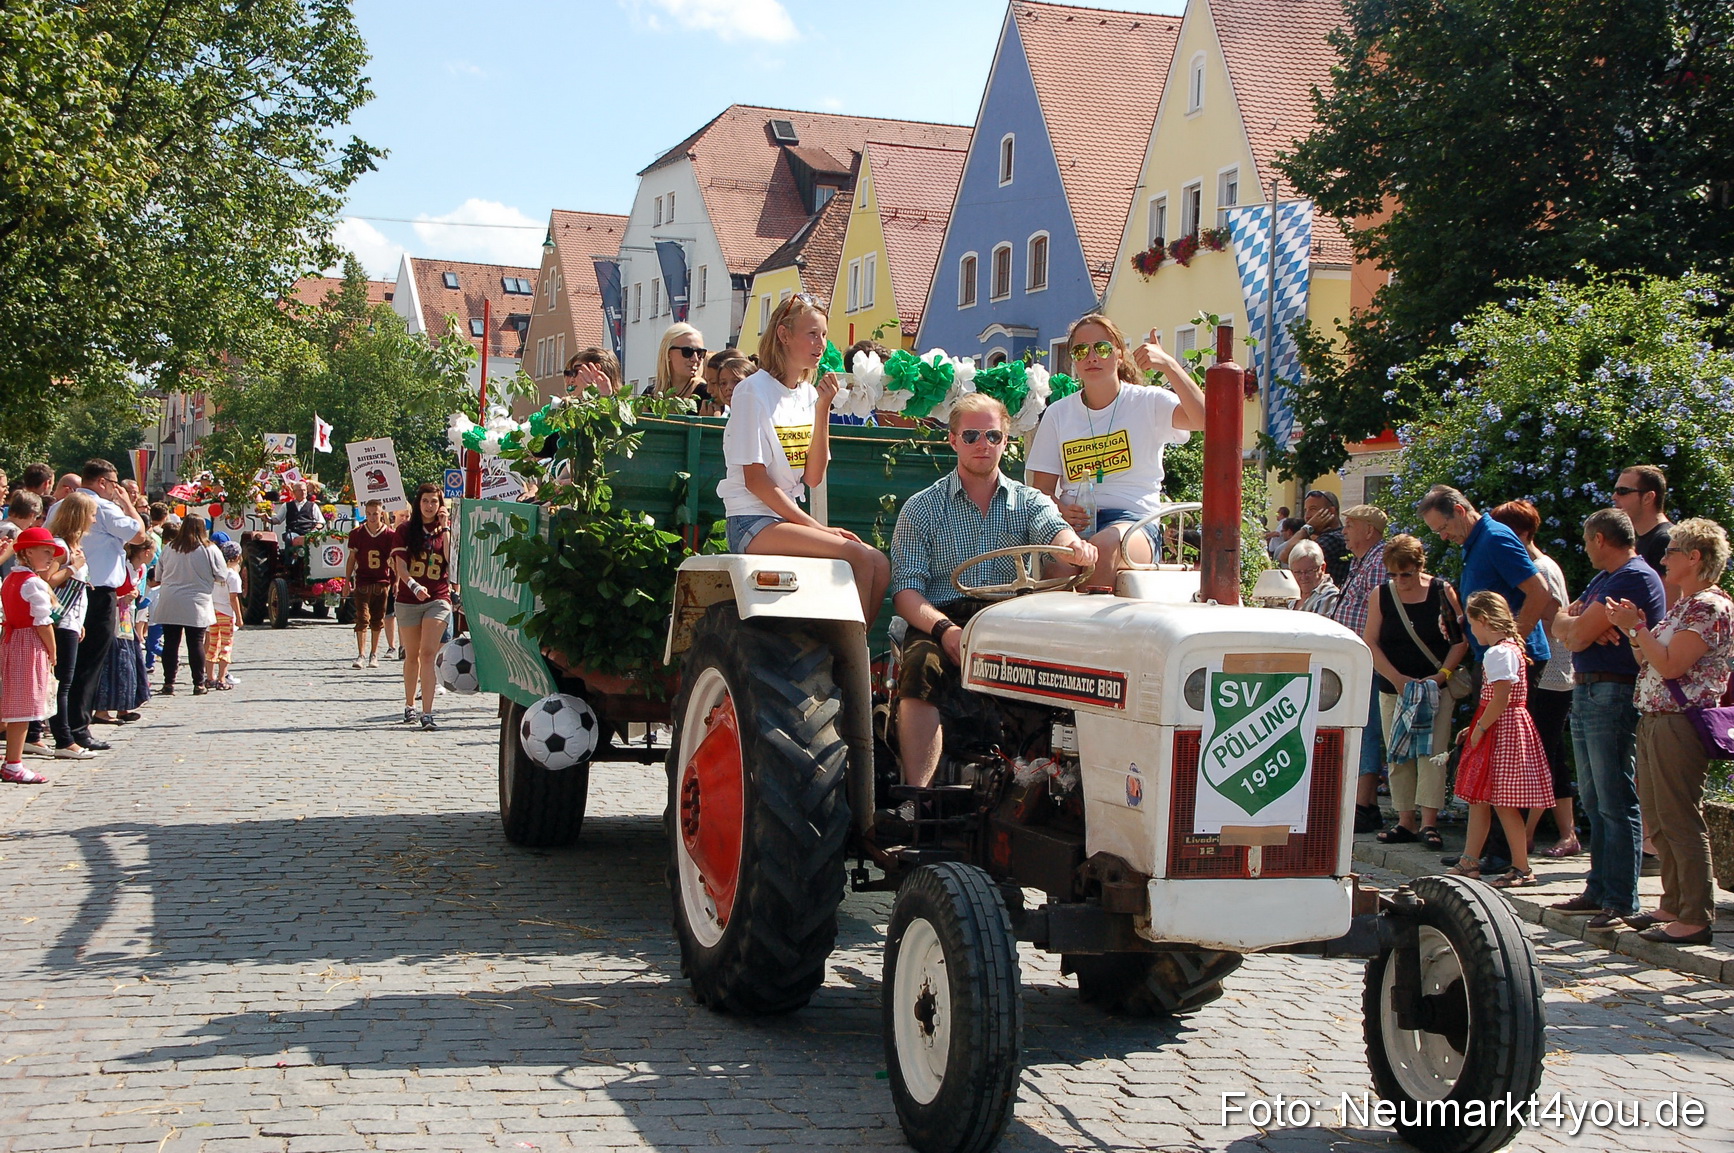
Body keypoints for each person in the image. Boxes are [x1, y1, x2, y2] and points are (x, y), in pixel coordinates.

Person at [889, 393, 1097, 788]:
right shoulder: (922, 508)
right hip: (945, 618)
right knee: (921, 667)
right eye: (971, 436)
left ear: (1006, 441)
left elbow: (1056, 531)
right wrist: (945, 631)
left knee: (1074, 664)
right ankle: (918, 797)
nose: (982, 444)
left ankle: (1051, 782)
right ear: (953, 440)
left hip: (1010, 618)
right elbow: (906, 591)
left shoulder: (1029, 501)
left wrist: (1075, 547)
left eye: (993, 436)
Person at [717, 294, 890, 625]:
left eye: (824, 334)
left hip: (784, 521)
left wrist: (823, 407)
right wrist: (816, 528)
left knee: (878, 563)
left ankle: (852, 648)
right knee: (856, 556)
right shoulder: (752, 391)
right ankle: (844, 650)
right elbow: (755, 481)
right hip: (751, 521)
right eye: (812, 334)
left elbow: (813, 477)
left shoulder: (808, 394)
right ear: (783, 335)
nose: (821, 344)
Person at [1605, 518, 1732, 946]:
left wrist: (1639, 629)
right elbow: (1649, 660)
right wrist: (1634, 629)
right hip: (1657, 719)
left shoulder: (1708, 607)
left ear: (1695, 557)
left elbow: (1673, 665)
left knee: (1680, 819)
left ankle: (1695, 916)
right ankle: (1673, 904)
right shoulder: (1686, 605)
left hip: (1679, 722)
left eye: (1672, 551)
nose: (1663, 559)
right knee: (1660, 819)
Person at [1547, 508, 1667, 929]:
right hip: (1588, 689)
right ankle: (1598, 889)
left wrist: (1577, 626)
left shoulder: (1632, 577)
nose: (1585, 549)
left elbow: (1576, 634)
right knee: (1595, 799)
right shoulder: (1605, 580)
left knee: (1615, 798)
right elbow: (1560, 624)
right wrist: (1575, 625)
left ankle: (1620, 897)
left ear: (1599, 538)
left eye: (1586, 541)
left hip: (1612, 691)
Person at [1027, 315, 1205, 589]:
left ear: (1119, 354)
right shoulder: (1058, 413)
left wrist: (1169, 365)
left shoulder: (1148, 401)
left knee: (1103, 547)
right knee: (1058, 562)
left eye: (1102, 348)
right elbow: (1042, 490)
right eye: (1081, 350)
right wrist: (1062, 509)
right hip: (1075, 524)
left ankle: (1090, 617)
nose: (1091, 357)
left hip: (1135, 522)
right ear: (1073, 360)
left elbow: (1204, 419)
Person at [1365, 534, 1468, 849]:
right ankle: (1405, 820)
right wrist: (1396, 678)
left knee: (1432, 755)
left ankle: (1430, 823)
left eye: (1406, 574)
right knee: (1398, 754)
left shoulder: (1441, 591)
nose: (1400, 581)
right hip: (1395, 689)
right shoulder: (1382, 595)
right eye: (1393, 574)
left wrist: (1441, 675)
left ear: (1419, 567)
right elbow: (1371, 641)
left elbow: (1459, 641)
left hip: (1434, 689)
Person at [1490, 499, 1579, 856]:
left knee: (1538, 755)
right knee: (1552, 753)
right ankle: (1567, 833)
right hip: (1551, 673)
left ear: (1524, 533)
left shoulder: (1541, 568)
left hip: (1552, 673)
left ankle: (1526, 835)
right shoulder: (1538, 565)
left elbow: (1554, 618)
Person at [1450, 592, 1555, 887]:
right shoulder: (1510, 649)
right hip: (1503, 726)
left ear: (1483, 620)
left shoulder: (1498, 653)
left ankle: (1521, 867)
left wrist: (1481, 728)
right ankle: (1470, 860)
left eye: (1473, 624)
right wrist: (1475, 726)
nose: (1472, 632)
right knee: (1481, 799)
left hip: (1502, 731)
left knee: (1503, 802)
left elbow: (1500, 698)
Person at [1417, 486, 1557, 667]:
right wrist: (1463, 622)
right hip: (1491, 656)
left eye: (1444, 527)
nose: (1443, 536)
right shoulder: (1473, 541)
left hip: (1512, 660)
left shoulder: (1494, 538)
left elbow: (1539, 591)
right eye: (1437, 532)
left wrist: (1511, 646)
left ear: (1459, 511)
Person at [65, 461, 147, 752]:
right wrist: (128, 504)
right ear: (102, 482)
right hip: (98, 592)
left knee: (68, 663)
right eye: (114, 484)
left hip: (68, 589)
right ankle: (78, 728)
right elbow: (139, 535)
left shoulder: (62, 505)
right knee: (89, 664)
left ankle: (62, 725)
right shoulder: (104, 507)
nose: (116, 489)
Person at [1330, 504, 1393, 833]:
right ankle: (1360, 801)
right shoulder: (1361, 561)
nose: (1344, 532)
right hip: (1354, 660)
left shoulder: (1379, 561)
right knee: (1358, 727)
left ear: (1369, 530)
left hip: (1368, 659)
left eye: (1350, 526)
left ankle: (1364, 804)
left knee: (1365, 729)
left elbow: (1379, 615)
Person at [2, 528, 63, 784]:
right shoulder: (32, 582)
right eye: (46, 551)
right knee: (23, 705)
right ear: (28, 552)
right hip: (28, 643)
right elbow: (42, 621)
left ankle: (12, 760)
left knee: (15, 702)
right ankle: (13, 763)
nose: (51, 557)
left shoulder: (11, 579)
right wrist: (53, 650)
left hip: (12, 640)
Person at [391, 484, 452, 729]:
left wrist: (445, 527)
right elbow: (400, 565)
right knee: (413, 654)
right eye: (425, 501)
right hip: (409, 598)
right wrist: (414, 585)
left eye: (434, 502)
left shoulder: (444, 530)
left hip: (437, 597)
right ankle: (409, 705)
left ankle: (428, 712)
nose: (429, 506)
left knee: (429, 653)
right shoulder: (405, 530)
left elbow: (450, 559)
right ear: (418, 503)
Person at [42, 494, 96, 759]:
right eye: (92, 514)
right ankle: (63, 740)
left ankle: (36, 734)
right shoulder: (61, 547)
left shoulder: (73, 546)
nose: (94, 520)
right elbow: (46, 580)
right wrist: (73, 568)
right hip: (60, 620)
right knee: (63, 682)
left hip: (72, 619)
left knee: (62, 681)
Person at [151, 515, 225, 696]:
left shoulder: (170, 548)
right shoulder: (209, 549)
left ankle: (169, 683)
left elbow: (158, 575)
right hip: (196, 600)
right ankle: (198, 683)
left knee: (170, 643)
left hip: (171, 599)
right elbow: (221, 575)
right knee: (195, 643)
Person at [91, 539, 154, 723]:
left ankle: (123, 706)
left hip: (126, 619)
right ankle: (102, 710)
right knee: (113, 662)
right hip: (113, 618)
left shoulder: (140, 569)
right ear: (146, 552)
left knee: (128, 662)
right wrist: (123, 597)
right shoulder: (122, 567)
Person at [345, 499, 396, 668]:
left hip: (382, 581)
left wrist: (396, 581)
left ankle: (374, 654)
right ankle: (361, 654)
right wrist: (346, 581)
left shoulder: (389, 535)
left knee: (378, 618)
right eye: (369, 514)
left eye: (375, 514)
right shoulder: (357, 533)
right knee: (362, 617)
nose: (372, 517)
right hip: (363, 580)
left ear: (381, 513)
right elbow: (351, 559)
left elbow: (395, 561)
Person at [1613, 465, 1674, 600]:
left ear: (1648, 497)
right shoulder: (1641, 540)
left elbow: (1668, 605)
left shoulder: (1665, 540)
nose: (1614, 497)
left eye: (1622, 491)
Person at [1277, 490, 1354, 586]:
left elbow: (1285, 556)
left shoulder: (1332, 539)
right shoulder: (1337, 535)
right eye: (1306, 510)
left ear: (1331, 511)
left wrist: (1307, 528)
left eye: (1313, 509)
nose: (1307, 516)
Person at [203, 541, 243, 690]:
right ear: (237, 557)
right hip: (226, 613)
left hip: (212, 612)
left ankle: (209, 677)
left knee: (212, 645)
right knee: (226, 645)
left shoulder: (214, 573)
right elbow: (233, 598)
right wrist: (239, 617)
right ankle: (221, 678)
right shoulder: (233, 576)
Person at [652, 322, 706, 399]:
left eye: (700, 353)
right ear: (668, 353)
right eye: (687, 351)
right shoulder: (651, 394)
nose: (695, 359)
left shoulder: (707, 395)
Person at [1288, 539, 1339, 615]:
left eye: (1309, 571)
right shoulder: (1292, 592)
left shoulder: (1329, 595)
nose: (1303, 577)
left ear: (1322, 568)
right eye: (1298, 572)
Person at [274, 480, 325, 548]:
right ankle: (289, 555)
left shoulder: (313, 506)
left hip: (308, 532)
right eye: (300, 490)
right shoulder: (286, 505)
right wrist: (267, 519)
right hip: (293, 532)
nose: (303, 492)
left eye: (304, 490)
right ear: (294, 492)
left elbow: (321, 522)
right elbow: (278, 520)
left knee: (314, 541)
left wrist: (315, 530)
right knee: (289, 539)